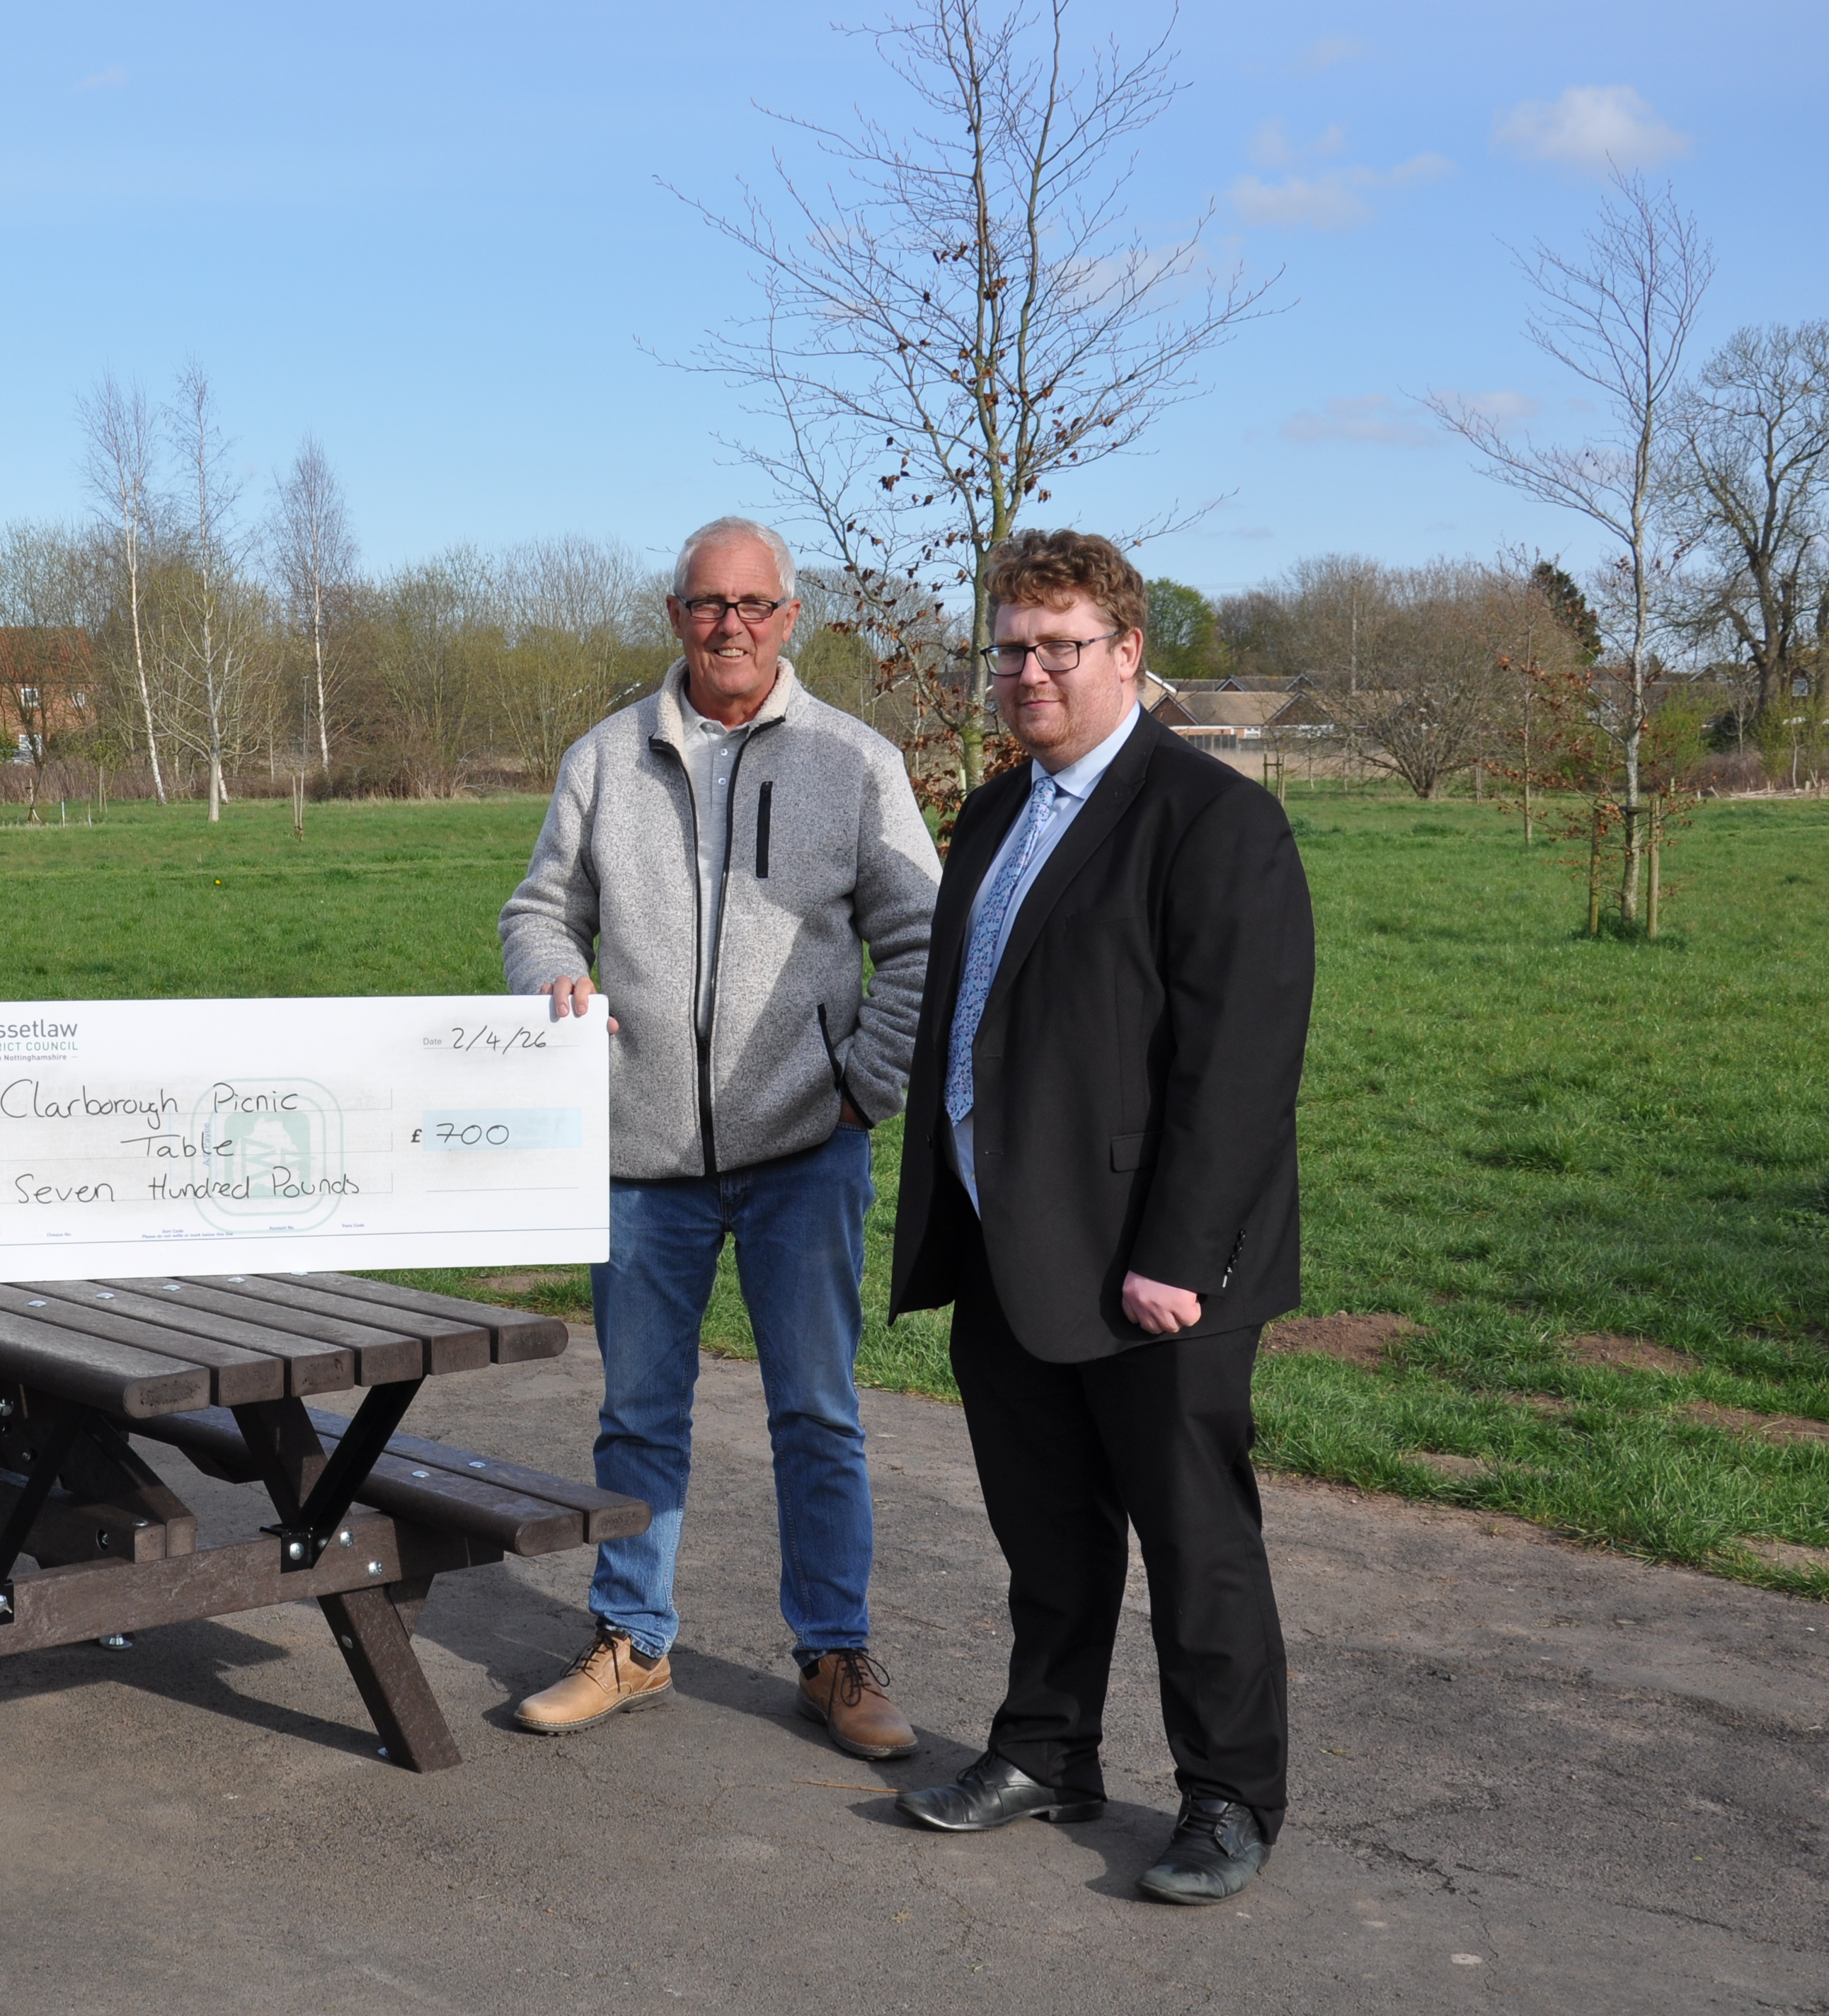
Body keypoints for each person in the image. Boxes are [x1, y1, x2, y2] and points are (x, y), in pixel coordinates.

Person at [885, 529, 1314, 1906]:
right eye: (1005, 646)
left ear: (1126, 653)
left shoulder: (1210, 818)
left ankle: (1227, 1794)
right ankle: (1044, 1748)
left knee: (1196, 1545)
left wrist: (1175, 1258)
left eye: (1055, 646)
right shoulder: (1000, 813)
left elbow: (1238, 1063)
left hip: (1151, 1271)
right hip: (1010, 1245)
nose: (1024, 671)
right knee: (1045, 1534)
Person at [498, 514, 942, 1758]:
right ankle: (633, 1640)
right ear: (675, 615)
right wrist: (552, 983)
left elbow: (921, 938)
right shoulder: (604, 758)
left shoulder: (857, 765)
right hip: (639, 1162)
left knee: (818, 1412)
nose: (731, 626)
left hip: (807, 1150)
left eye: (754, 605)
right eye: (708, 605)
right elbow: (540, 911)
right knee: (639, 1412)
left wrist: (864, 1086)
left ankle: (836, 1655)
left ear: (791, 616)